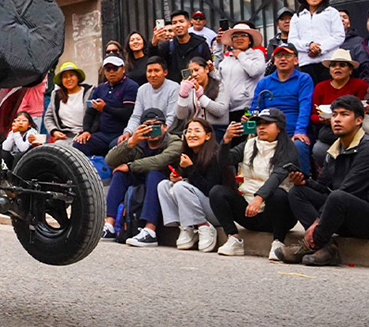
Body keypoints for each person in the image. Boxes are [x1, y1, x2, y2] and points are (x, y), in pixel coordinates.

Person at [277, 95, 369, 266]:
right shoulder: (335, 149)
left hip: (363, 217)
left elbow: (349, 191)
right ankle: (326, 247)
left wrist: (318, 222)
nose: (337, 120)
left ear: (358, 120)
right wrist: (304, 181)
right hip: (340, 212)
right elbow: (322, 188)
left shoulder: (366, 149)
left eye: (344, 114)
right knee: (297, 192)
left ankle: (311, 244)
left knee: (338, 197)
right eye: (334, 115)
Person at [209, 108, 298, 259]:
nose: (261, 127)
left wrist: (259, 198)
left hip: (277, 213)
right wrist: (226, 141)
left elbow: (276, 177)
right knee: (217, 192)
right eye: (259, 124)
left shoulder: (289, 148)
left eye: (267, 124)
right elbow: (224, 161)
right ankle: (234, 238)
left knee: (279, 194)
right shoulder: (249, 144)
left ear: (280, 128)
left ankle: (278, 241)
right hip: (249, 210)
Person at [102, 108, 182, 247]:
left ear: (165, 127)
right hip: (140, 179)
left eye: (156, 125)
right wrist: (131, 142)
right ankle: (109, 225)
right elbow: (110, 160)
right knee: (120, 174)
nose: (152, 129)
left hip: (164, 182)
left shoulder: (175, 142)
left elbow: (160, 161)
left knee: (153, 173)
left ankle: (150, 231)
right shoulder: (138, 142)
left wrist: (131, 166)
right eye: (147, 125)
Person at [158, 118, 231, 252]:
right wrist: (179, 176)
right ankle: (186, 227)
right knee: (164, 185)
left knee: (180, 186)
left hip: (218, 210)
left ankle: (204, 226)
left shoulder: (216, 155)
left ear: (208, 135)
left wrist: (190, 169)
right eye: (188, 131)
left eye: (197, 131)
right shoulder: (188, 154)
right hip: (197, 206)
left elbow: (210, 190)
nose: (192, 135)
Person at [250, 42, 315, 176]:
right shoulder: (264, 82)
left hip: (293, 132)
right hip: (268, 132)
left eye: (287, 55)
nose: (283, 59)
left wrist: (300, 131)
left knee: (299, 146)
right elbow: (254, 110)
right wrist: (249, 128)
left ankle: (304, 184)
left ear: (296, 60)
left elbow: (305, 107)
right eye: (279, 56)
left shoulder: (304, 79)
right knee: (248, 146)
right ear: (273, 61)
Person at [310, 49, 368, 169]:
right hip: (329, 129)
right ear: (329, 69)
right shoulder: (320, 87)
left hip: (355, 128)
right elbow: (313, 114)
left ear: (350, 70)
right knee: (318, 149)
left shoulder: (360, 85)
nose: (337, 68)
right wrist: (321, 119)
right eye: (333, 65)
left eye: (342, 65)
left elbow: (361, 108)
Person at [73, 55, 138, 158]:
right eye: (108, 69)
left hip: (121, 133)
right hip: (102, 134)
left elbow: (128, 113)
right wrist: (86, 131)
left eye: (115, 68)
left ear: (123, 69)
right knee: (78, 144)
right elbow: (90, 112)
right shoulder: (101, 88)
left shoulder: (130, 86)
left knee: (115, 149)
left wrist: (105, 108)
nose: (111, 72)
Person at [287, 0, 345, 84]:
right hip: (306, 62)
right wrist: (309, 46)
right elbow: (292, 40)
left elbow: (339, 36)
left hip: (328, 61)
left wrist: (320, 48)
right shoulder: (297, 16)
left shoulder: (332, 12)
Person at [217, 22, 266, 126]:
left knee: (247, 138)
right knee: (233, 140)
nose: (239, 38)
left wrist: (241, 55)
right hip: (228, 109)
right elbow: (218, 77)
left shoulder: (257, 54)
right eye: (235, 36)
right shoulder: (228, 58)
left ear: (250, 40)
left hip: (248, 108)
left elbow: (255, 71)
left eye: (243, 35)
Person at [121, 56, 180, 139]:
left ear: (165, 72)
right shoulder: (142, 89)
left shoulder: (174, 88)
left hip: (167, 134)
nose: (152, 75)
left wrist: (157, 133)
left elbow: (171, 118)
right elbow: (136, 116)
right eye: (149, 71)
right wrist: (128, 132)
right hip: (145, 132)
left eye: (156, 71)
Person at [150, 9, 212, 83]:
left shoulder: (201, 44)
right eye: (174, 23)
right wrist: (154, 43)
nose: (178, 25)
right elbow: (154, 62)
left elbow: (208, 67)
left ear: (189, 24)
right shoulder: (168, 46)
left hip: (197, 88)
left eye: (181, 22)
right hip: (174, 90)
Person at [174, 56, 228, 136]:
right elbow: (181, 116)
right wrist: (183, 96)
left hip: (216, 129)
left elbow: (220, 111)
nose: (194, 74)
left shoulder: (220, 85)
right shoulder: (189, 89)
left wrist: (201, 97)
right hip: (193, 131)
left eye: (197, 70)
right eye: (191, 72)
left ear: (206, 69)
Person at [44, 62, 92, 142]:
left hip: (85, 135)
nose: (69, 79)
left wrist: (88, 131)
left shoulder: (89, 92)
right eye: (65, 77)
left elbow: (96, 115)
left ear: (78, 77)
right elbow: (48, 117)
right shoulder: (56, 95)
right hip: (64, 137)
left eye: (71, 75)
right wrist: (54, 131)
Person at [337, 9, 369, 82]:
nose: (341, 19)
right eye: (338, 17)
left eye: (344, 17)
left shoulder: (359, 42)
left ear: (349, 24)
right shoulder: (323, 43)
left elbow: (364, 66)